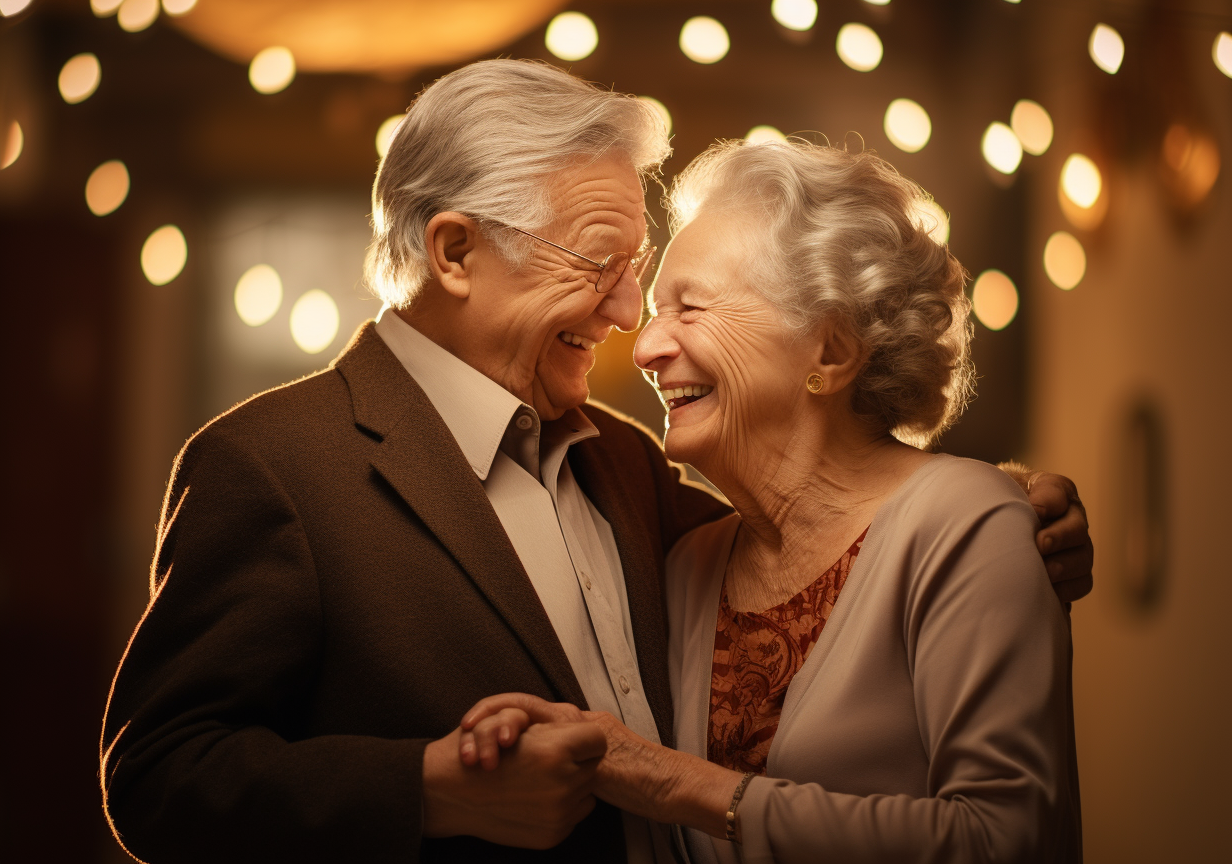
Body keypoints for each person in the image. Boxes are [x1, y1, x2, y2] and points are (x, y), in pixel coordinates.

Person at [100, 60, 1091, 864]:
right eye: (600, 265)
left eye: (648, 280)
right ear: (454, 253)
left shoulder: (620, 457)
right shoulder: (270, 465)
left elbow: (821, 552)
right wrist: (425, 789)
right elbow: (159, 774)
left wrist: (996, 507)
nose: (628, 318)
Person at [459, 138, 1082, 863]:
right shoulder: (690, 563)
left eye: (690, 307)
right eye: (659, 310)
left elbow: (1004, 842)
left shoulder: (965, 526)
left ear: (830, 351)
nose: (646, 345)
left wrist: (661, 778)